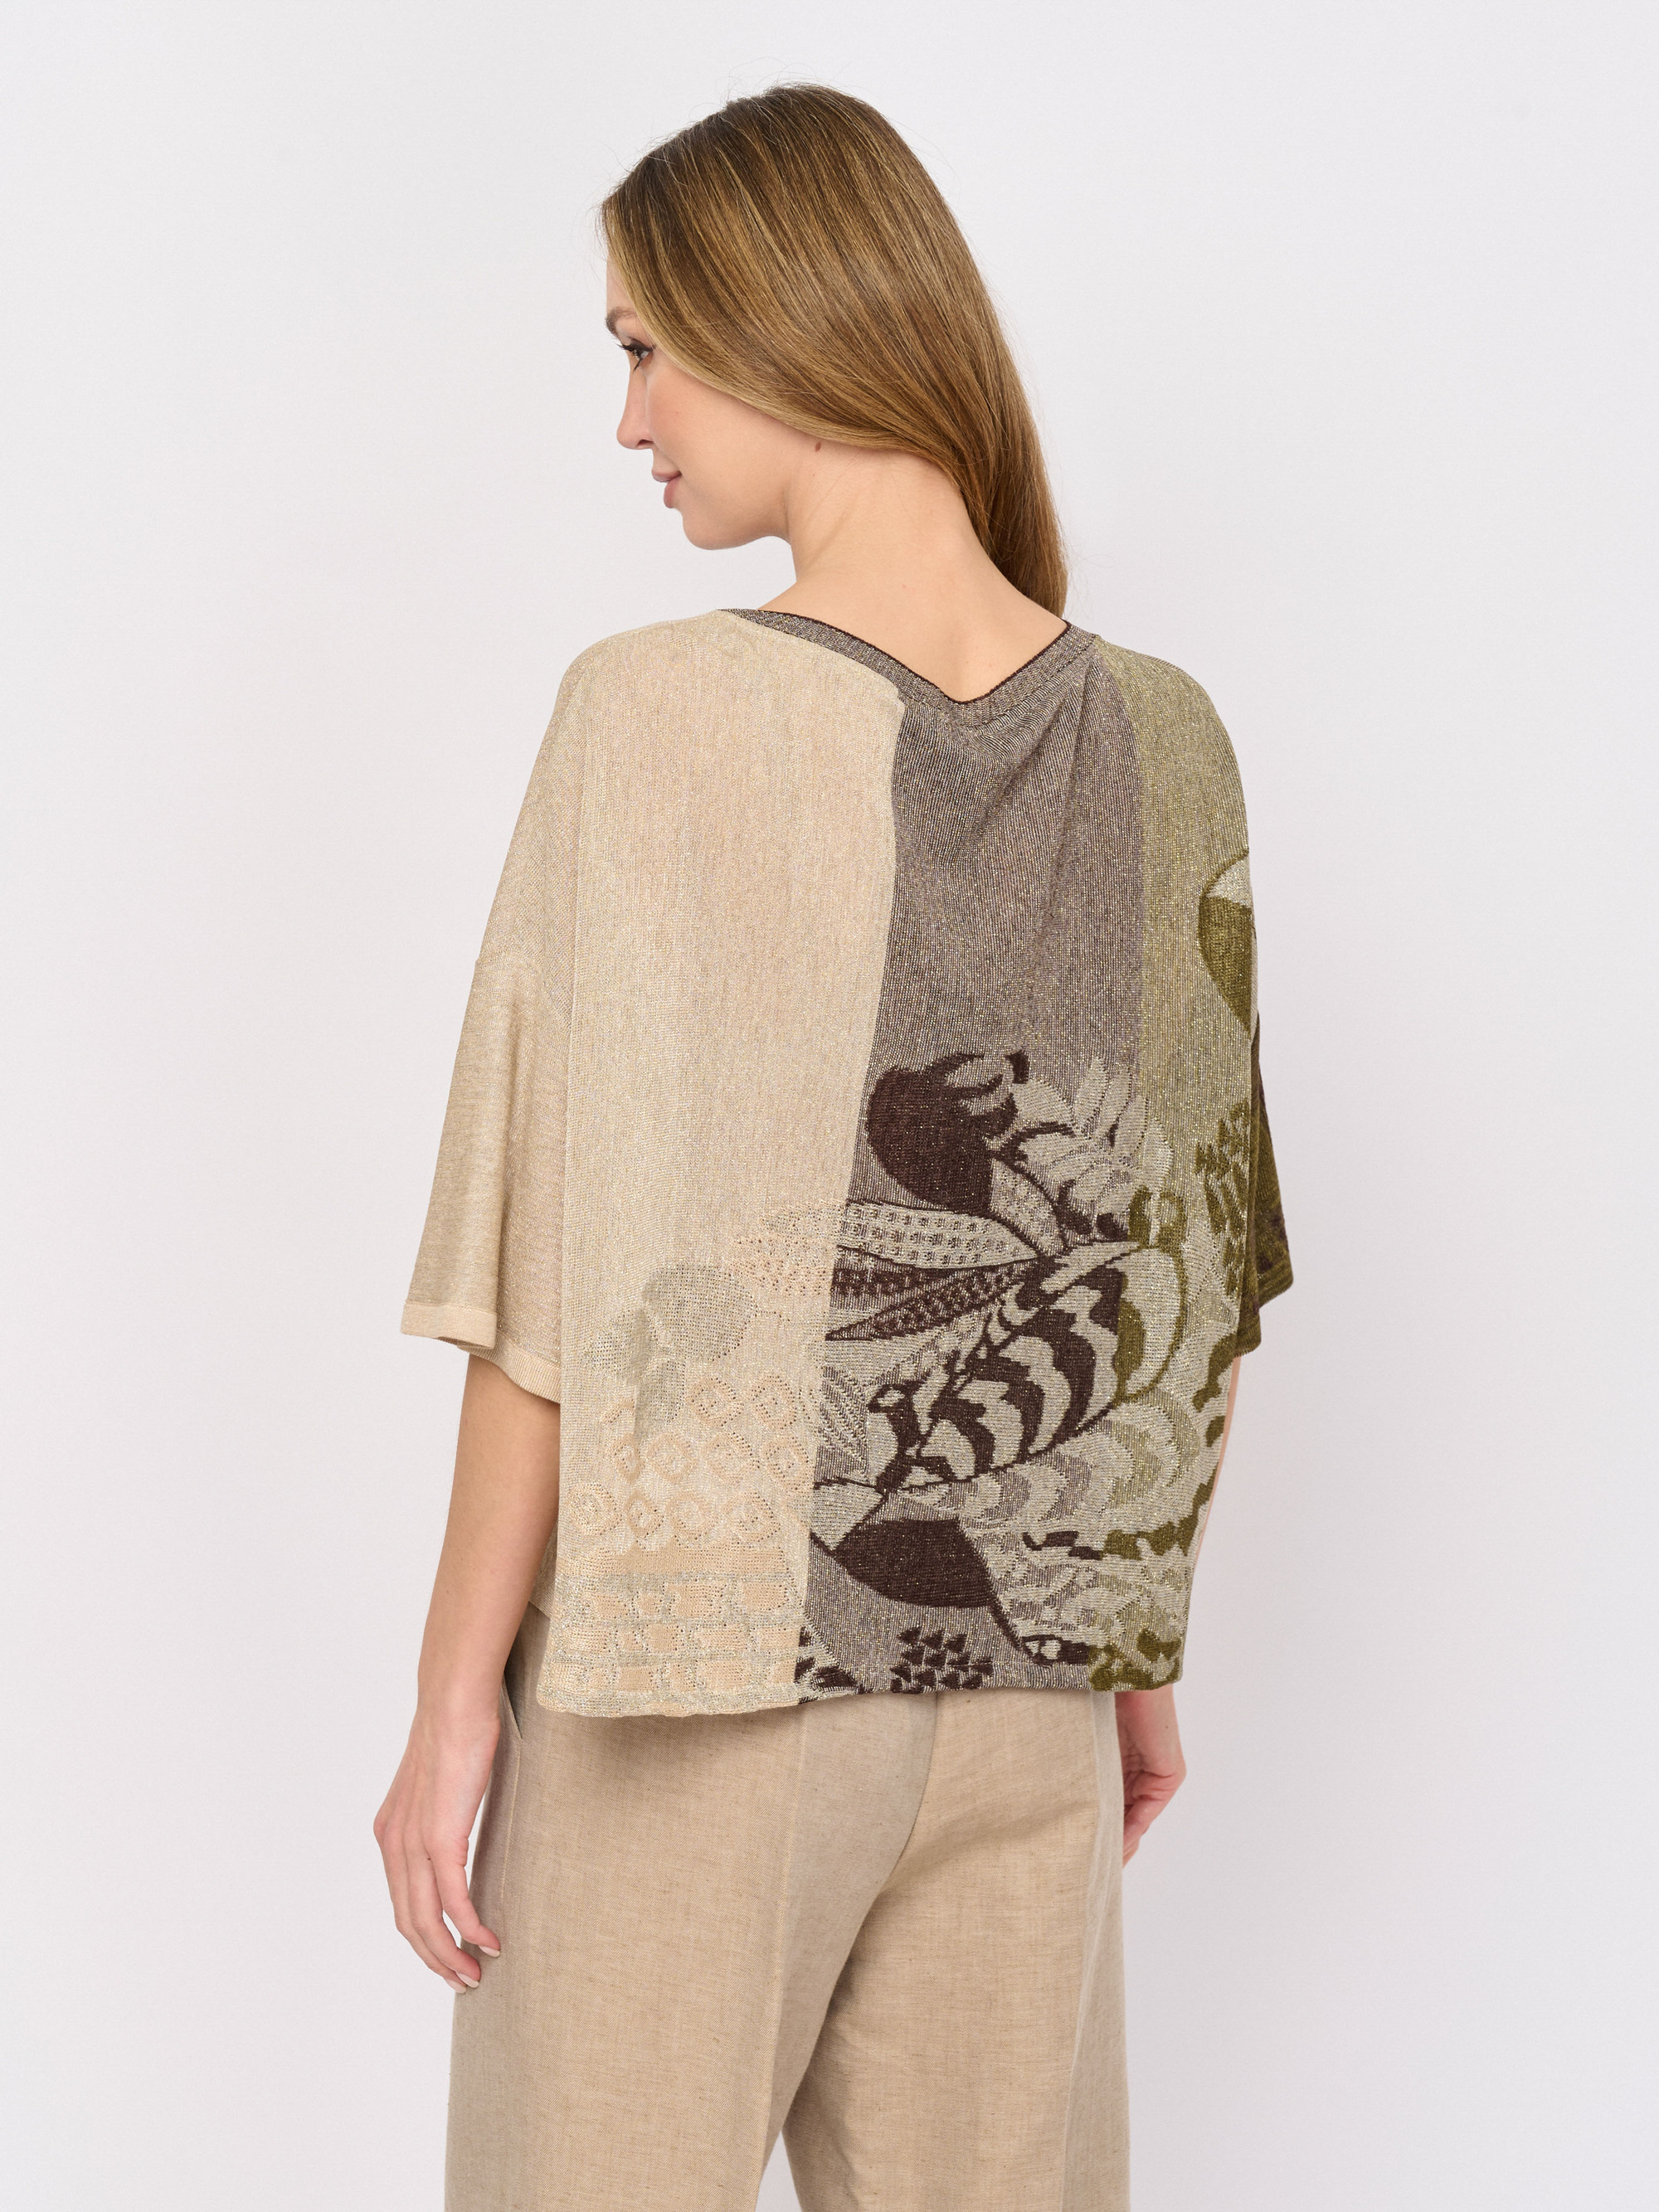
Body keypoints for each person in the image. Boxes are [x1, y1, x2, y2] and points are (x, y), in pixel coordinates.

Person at [374, 82, 1292, 2212]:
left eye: (644, 348)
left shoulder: (653, 709)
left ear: (779, 317)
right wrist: (1134, 1648)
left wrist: (450, 1703)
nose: (630, 420)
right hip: (1032, 1687)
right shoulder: (1167, 733)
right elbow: (1188, 1261)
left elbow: (547, 1271)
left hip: (682, 1686)